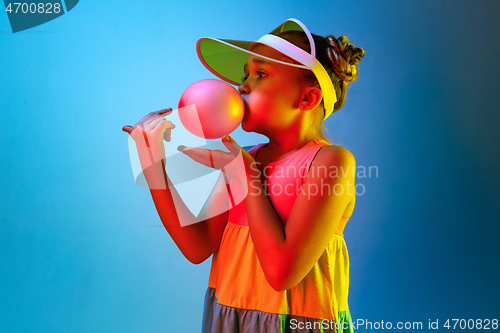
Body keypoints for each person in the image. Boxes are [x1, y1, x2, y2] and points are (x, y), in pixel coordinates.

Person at [123, 18, 364, 333]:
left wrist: (248, 179)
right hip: (230, 317)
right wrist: (153, 165)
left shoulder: (331, 162)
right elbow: (197, 248)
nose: (242, 87)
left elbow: (281, 273)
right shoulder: (244, 157)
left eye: (260, 74)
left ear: (307, 98)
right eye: (245, 75)